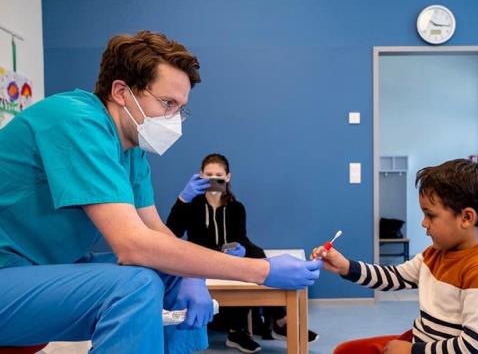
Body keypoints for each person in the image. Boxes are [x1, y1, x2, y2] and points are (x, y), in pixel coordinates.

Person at [0, 30, 321, 354]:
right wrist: (262, 271)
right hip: (9, 271)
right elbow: (132, 246)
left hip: (38, 269)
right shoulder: (75, 121)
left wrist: (191, 276)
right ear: (122, 91)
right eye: (167, 103)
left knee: (171, 274)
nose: (174, 119)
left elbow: (156, 231)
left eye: (181, 108)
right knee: (132, 286)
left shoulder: (131, 149)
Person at [312, 159, 478, 354]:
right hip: (421, 343)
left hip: (422, 349)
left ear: (467, 218)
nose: (424, 223)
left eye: (431, 215)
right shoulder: (433, 254)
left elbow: (476, 348)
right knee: (346, 351)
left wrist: (412, 350)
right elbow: (394, 277)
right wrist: (345, 266)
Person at [167, 153, 319, 353]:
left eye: (218, 175)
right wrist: (182, 199)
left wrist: (243, 249)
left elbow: (241, 237)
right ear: (200, 177)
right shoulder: (192, 206)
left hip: (227, 260)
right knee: (251, 256)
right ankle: (250, 327)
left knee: (256, 252)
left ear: (228, 177)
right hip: (201, 261)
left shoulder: (236, 208)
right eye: (208, 175)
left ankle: (277, 320)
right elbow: (171, 233)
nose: (213, 179)